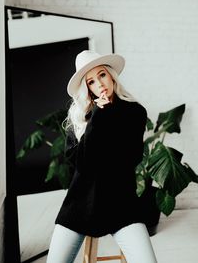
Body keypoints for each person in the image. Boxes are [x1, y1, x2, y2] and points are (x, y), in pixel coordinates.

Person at [47, 50, 157, 263]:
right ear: (86, 88)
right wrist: (97, 118)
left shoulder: (135, 112)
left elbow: (130, 158)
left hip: (121, 203)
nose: (99, 84)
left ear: (111, 75)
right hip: (81, 203)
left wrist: (105, 120)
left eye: (102, 75)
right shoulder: (80, 118)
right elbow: (83, 166)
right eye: (91, 81)